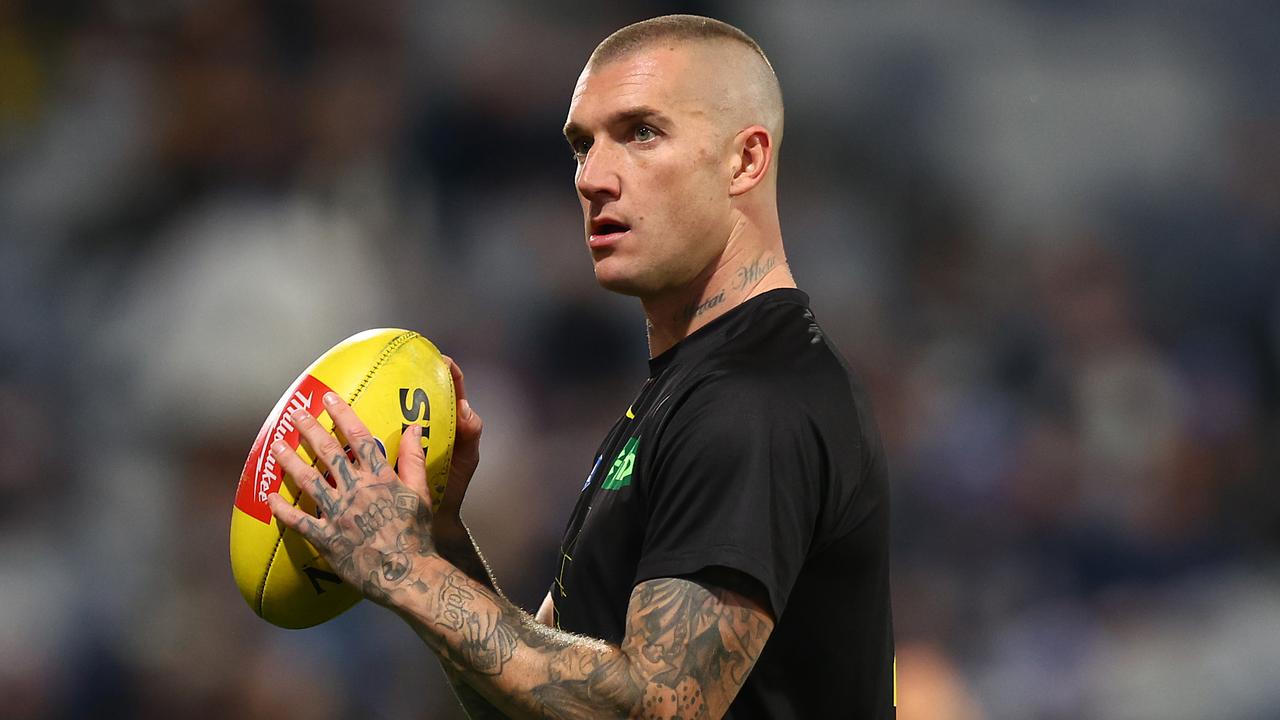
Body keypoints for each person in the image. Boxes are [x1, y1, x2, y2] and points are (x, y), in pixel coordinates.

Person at [267, 14, 895, 719]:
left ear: (745, 161)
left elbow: (658, 707)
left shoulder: (754, 400)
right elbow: (540, 703)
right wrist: (437, 539)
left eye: (641, 133)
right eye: (580, 145)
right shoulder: (682, 394)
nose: (593, 177)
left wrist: (407, 572)